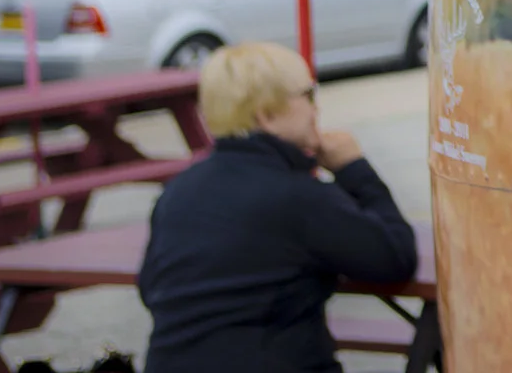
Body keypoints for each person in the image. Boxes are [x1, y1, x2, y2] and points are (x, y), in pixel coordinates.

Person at [139, 42, 417, 372]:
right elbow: (394, 258)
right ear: (267, 115)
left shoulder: (179, 191)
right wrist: (353, 169)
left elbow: (150, 286)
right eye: (308, 95)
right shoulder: (298, 196)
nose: (316, 110)